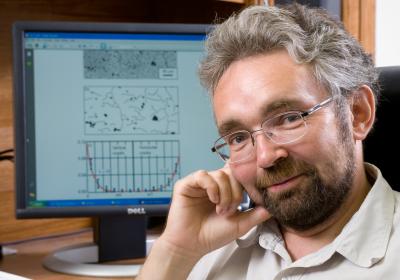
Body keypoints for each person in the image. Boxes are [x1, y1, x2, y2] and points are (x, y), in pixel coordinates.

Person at [137, 3, 400, 279]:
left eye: (288, 119)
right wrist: (175, 252)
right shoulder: (201, 252)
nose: (265, 156)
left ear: (357, 113)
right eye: (238, 137)